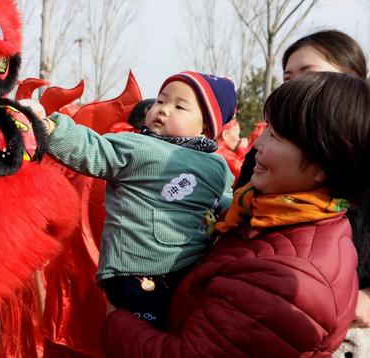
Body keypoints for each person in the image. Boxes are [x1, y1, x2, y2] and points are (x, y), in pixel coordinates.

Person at [102, 71, 370, 357]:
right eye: (267, 128)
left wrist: (114, 318)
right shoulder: (267, 216)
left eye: (276, 136)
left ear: (324, 166)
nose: (257, 144)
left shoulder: (289, 276)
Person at [40, 71, 237, 329]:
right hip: (137, 272)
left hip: (189, 270)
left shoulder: (218, 165)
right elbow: (95, 150)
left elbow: (225, 202)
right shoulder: (139, 146)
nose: (163, 110)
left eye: (179, 106)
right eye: (161, 100)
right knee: (137, 338)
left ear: (206, 127)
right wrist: (53, 129)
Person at [232, 29, 370, 330]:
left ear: (352, 82)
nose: (295, 87)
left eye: (309, 74)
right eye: (288, 78)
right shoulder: (262, 155)